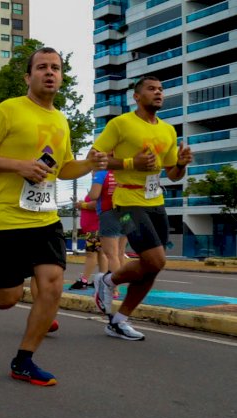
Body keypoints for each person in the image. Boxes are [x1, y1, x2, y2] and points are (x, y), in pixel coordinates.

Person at [0, 47, 108, 386]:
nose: (50, 73)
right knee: (7, 297)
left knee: (52, 286)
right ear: (28, 76)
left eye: (56, 68)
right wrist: (19, 166)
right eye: (43, 67)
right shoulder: (9, 110)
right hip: (1, 219)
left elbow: (62, 169)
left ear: (61, 77)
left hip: (43, 219)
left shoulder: (61, 119)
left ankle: (24, 360)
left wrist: (89, 163)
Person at [92, 75, 192, 341]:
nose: (158, 92)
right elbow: (96, 158)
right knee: (155, 260)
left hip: (156, 202)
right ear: (136, 96)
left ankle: (119, 319)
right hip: (126, 203)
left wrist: (181, 163)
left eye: (160, 89)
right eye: (151, 89)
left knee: (153, 267)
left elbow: (172, 175)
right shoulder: (121, 124)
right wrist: (129, 163)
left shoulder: (168, 130)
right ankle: (108, 281)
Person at [88, 169, 127, 298]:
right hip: (127, 213)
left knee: (111, 255)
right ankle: (119, 285)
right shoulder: (123, 172)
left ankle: (114, 288)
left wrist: (94, 180)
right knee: (121, 253)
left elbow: (93, 195)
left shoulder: (101, 174)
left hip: (109, 213)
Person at [68, 191, 107, 290]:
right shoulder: (98, 188)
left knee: (91, 254)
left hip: (94, 228)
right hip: (97, 227)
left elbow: (96, 204)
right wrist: (83, 204)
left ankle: (84, 280)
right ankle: (101, 280)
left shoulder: (100, 187)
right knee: (100, 254)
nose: (92, 174)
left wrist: (82, 205)